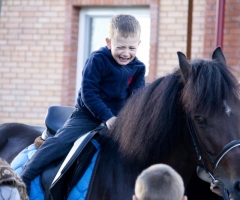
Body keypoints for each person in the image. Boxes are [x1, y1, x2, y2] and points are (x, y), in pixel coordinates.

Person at [20, 14, 146, 194]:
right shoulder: (98, 60)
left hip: (118, 119)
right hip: (87, 115)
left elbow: (136, 98)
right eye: (120, 47)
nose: (126, 53)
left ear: (139, 45)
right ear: (109, 42)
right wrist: (107, 117)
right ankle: (25, 175)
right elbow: (89, 94)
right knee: (61, 142)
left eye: (132, 48)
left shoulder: (138, 68)